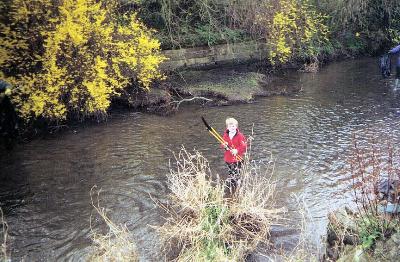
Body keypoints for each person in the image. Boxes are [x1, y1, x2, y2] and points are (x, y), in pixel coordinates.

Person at [221, 117, 247, 194]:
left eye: (233, 126)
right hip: (228, 158)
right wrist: (224, 145)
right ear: (227, 127)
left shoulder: (240, 136)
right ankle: (232, 184)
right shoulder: (225, 135)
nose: (232, 128)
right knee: (231, 171)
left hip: (237, 158)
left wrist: (237, 150)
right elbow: (222, 144)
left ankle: (237, 186)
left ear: (236, 127)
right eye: (230, 126)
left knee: (236, 172)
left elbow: (244, 146)